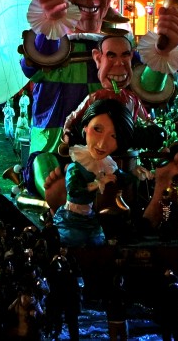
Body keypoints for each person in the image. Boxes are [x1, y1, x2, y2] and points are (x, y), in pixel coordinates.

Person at [19, 0, 178, 206]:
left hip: (117, 149)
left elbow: (145, 88)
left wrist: (164, 49)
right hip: (55, 147)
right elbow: (37, 61)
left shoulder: (120, 44)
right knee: (45, 166)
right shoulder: (48, 44)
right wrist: (50, 25)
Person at [53, 97, 133, 247]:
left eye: (113, 136)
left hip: (89, 216)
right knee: (73, 242)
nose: (102, 144)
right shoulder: (77, 164)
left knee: (97, 242)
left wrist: (136, 174)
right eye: (97, 129)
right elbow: (75, 191)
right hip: (72, 218)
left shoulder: (106, 163)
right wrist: (98, 183)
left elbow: (120, 177)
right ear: (85, 127)